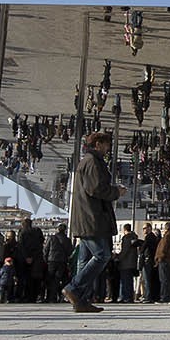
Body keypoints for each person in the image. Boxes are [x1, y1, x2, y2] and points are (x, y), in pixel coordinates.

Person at [62, 131, 124, 314]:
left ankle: (80, 301)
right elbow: (95, 188)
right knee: (102, 255)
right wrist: (116, 192)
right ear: (97, 144)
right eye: (106, 144)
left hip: (88, 217)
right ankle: (73, 288)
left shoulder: (89, 161)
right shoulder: (92, 162)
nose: (108, 148)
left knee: (85, 260)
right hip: (91, 218)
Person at [155, 220, 170, 303]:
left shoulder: (167, 236)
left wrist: (159, 258)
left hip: (164, 261)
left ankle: (164, 297)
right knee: (168, 279)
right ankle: (168, 297)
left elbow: (163, 248)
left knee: (164, 279)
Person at [117, 224, 140, 303]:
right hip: (132, 262)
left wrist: (118, 258)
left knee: (125, 281)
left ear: (124, 230)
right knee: (130, 281)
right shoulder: (134, 237)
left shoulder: (126, 238)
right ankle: (130, 297)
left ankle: (125, 297)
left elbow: (124, 251)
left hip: (125, 263)